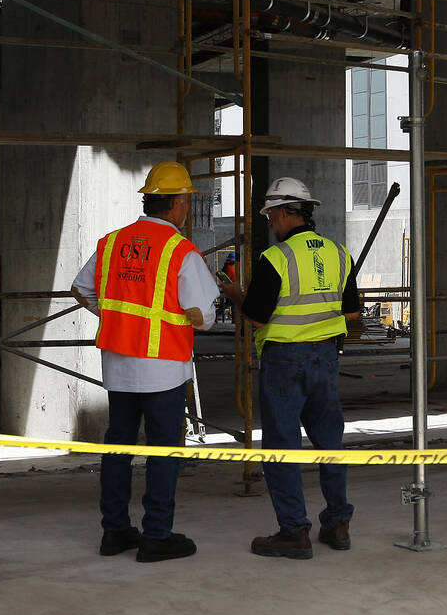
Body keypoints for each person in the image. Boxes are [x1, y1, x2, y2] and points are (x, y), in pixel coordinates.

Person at [71, 161, 218, 563]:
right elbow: (203, 314)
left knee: (117, 447)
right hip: (163, 366)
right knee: (164, 449)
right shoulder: (179, 251)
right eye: (186, 200)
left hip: (118, 365)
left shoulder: (112, 243)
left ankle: (114, 531)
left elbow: (80, 289)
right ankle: (156, 535)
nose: (186, 207)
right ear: (177, 203)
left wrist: (118, 318)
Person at [219, 176, 360, 560]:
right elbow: (352, 312)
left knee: (282, 445)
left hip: (285, 360)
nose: (270, 223)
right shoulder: (338, 252)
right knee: (330, 443)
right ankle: (338, 523)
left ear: (283, 213)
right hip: (326, 359)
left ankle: (294, 532)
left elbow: (258, 318)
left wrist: (235, 296)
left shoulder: (276, 258)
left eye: (270, 217)